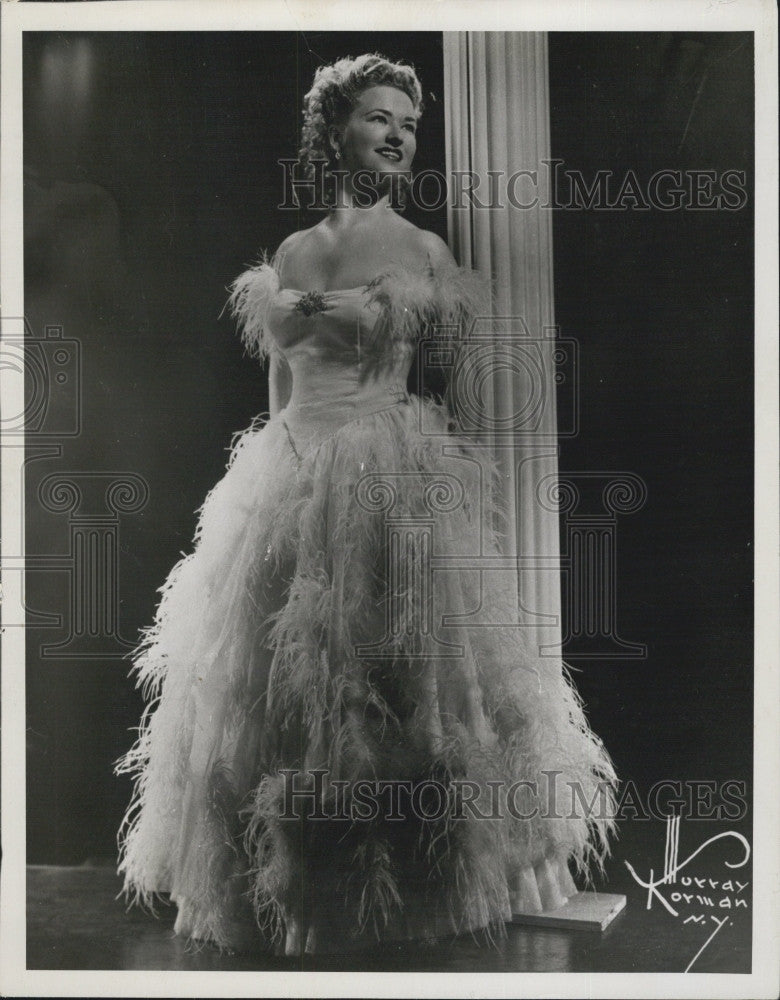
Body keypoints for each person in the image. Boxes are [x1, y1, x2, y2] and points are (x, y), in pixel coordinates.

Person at [116, 52, 617, 957]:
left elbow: (460, 388)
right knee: (278, 691)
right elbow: (279, 378)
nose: (397, 135)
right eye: (381, 118)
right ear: (334, 129)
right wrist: (274, 473)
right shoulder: (293, 254)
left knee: (405, 686)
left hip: (388, 473)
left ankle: (413, 889)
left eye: (409, 124)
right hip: (290, 469)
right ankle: (295, 894)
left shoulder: (423, 249)